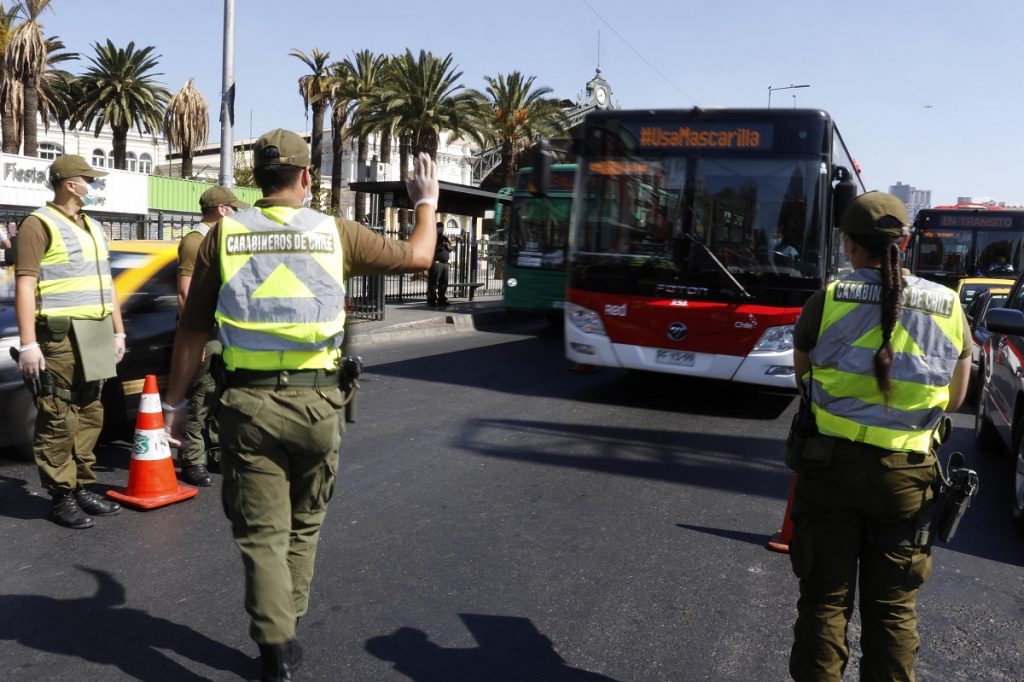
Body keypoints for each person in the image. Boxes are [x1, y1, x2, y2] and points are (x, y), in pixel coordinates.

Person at [162, 129, 439, 681]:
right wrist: (426, 201)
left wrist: (175, 405)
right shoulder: (334, 231)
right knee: (305, 522)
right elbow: (421, 256)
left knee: (261, 532)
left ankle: (275, 648)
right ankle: (288, 623)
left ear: (255, 180)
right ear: (307, 178)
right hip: (317, 406)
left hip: (245, 407)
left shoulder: (224, 235)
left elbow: (191, 332)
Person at [788, 191, 971, 681]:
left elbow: (803, 381)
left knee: (825, 600)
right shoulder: (949, 306)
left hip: (829, 469)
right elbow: (954, 401)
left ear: (848, 245)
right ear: (905, 242)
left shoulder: (826, 299)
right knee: (892, 609)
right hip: (907, 479)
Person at [14, 154, 126, 529]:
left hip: (95, 332)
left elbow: (108, 284)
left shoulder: (93, 226)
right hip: (59, 335)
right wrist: (29, 344)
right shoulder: (38, 224)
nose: (93, 186)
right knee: (58, 413)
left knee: (91, 410)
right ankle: (61, 496)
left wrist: (118, 330)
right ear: (69, 184)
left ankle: (81, 486)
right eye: (88, 179)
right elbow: (25, 284)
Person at [175, 186, 249, 486]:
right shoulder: (195, 241)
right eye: (233, 208)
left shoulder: (225, 240)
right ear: (221, 210)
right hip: (208, 333)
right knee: (202, 396)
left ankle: (217, 452)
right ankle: (193, 459)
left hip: (228, 331)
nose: (236, 213)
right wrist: (198, 338)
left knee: (223, 394)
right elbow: (185, 293)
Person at [427, 222, 452, 306]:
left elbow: (450, 249)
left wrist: (448, 246)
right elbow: (431, 248)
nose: (441, 228)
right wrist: (441, 245)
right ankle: (431, 299)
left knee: (444, 282)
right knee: (433, 282)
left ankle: (442, 299)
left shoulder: (444, 237)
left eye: (442, 227)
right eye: (439, 227)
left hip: (445, 263)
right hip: (436, 263)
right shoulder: (432, 237)